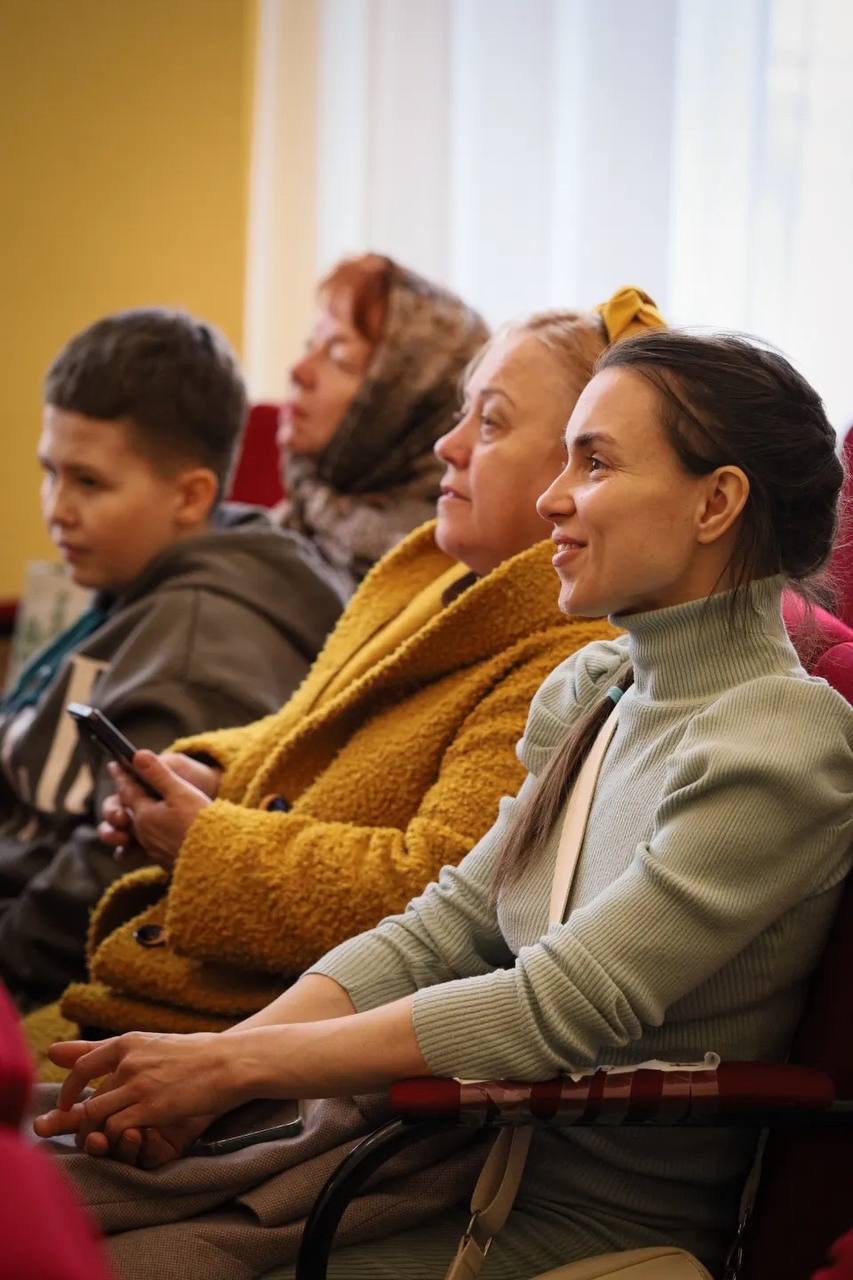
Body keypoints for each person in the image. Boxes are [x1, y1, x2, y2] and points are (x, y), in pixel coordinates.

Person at [34, 327, 853, 1280]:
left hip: (578, 1227)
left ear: (716, 502)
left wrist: (230, 1068)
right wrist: (214, 1074)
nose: (552, 497)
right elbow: (446, 926)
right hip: (430, 1166)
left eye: (593, 463)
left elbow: (554, 1008)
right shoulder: (597, 688)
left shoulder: (780, 746)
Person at [27, 293, 663, 1061]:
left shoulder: (571, 659)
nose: (447, 445)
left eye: (490, 423)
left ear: (582, 470)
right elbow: (307, 727)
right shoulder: (434, 579)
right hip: (192, 1000)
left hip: (273, 1035)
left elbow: (441, 895)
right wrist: (213, 772)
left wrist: (209, 845)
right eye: (460, 414)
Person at [0, 308, 344, 1010]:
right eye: (50, 473)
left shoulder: (198, 653)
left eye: (88, 483)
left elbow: (114, 887)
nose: (57, 509)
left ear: (191, 496)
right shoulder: (136, 579)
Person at [273, 253, 489, 586]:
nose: (299, 371)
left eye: (339, 356)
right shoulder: (293, 519)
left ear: (407, 403)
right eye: (310, 345)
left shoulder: (452, 571)